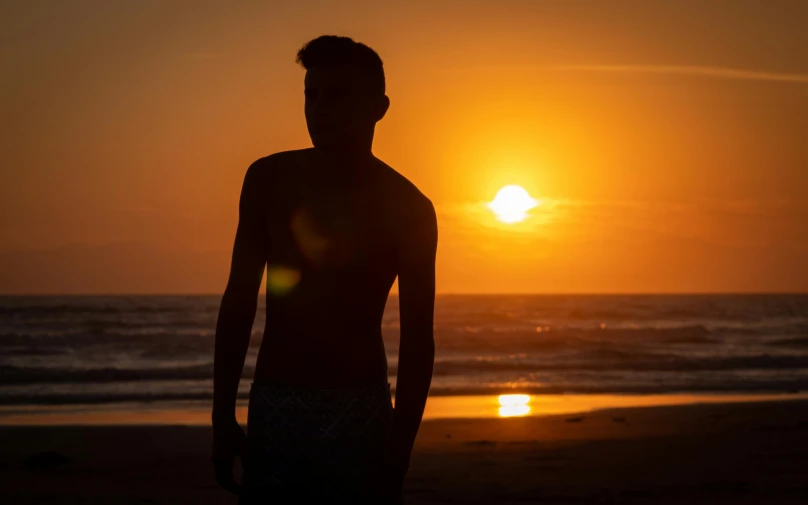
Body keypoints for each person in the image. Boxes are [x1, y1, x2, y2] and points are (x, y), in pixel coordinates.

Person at [211, 35, 438, 504]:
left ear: (379, 107)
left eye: (336, 95)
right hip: (274, 403)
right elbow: (238, 301)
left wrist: (399, 454)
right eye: (311, 95)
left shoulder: (408, 208)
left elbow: (418, 339)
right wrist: (221, 415)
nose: (319, 109)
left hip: (360, 408)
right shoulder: (269, 181)